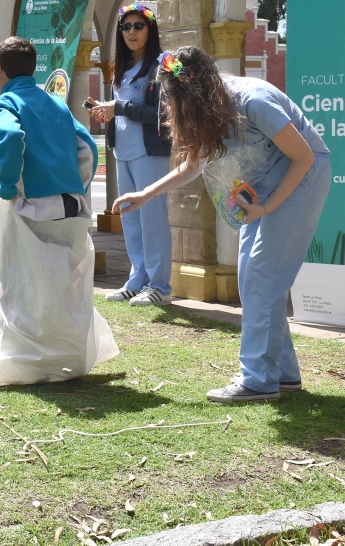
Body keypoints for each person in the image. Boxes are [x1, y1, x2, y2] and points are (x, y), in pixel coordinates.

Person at [113, 46, 331, 403]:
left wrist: (269, 207)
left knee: (262, 273)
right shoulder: (207, 110)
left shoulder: (253, 102)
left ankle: (258, 379)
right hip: (265, 185)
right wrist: (147, 194)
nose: (168, 108)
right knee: (251, 275)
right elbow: (192, 164)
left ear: (195, 94)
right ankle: (282, 373)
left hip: (302, 176)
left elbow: (303, 156)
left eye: (171, 99)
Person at [0, 36, 118, 387]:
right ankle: (67, 357)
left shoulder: (5, 103)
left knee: (24, 285)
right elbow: (87, 148)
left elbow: (9, 137)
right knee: (62, 285)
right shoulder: (56, 104)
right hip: (70, 206)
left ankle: (26, 363)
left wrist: (8, 188)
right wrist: (77, 188)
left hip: (33, 207)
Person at [86, 3, 172, 306]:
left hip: (150, 153)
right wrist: (107, 112)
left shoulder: (162, 67)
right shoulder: (121, 69)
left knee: (153, 219)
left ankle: (160, 285)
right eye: (126, 27)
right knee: (130, 216)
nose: (131, 32)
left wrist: (119, 108)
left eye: (138, 26)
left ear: (151, 29)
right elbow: (122, 109)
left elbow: (161, 113)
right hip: (122, 151)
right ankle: (138, 279)